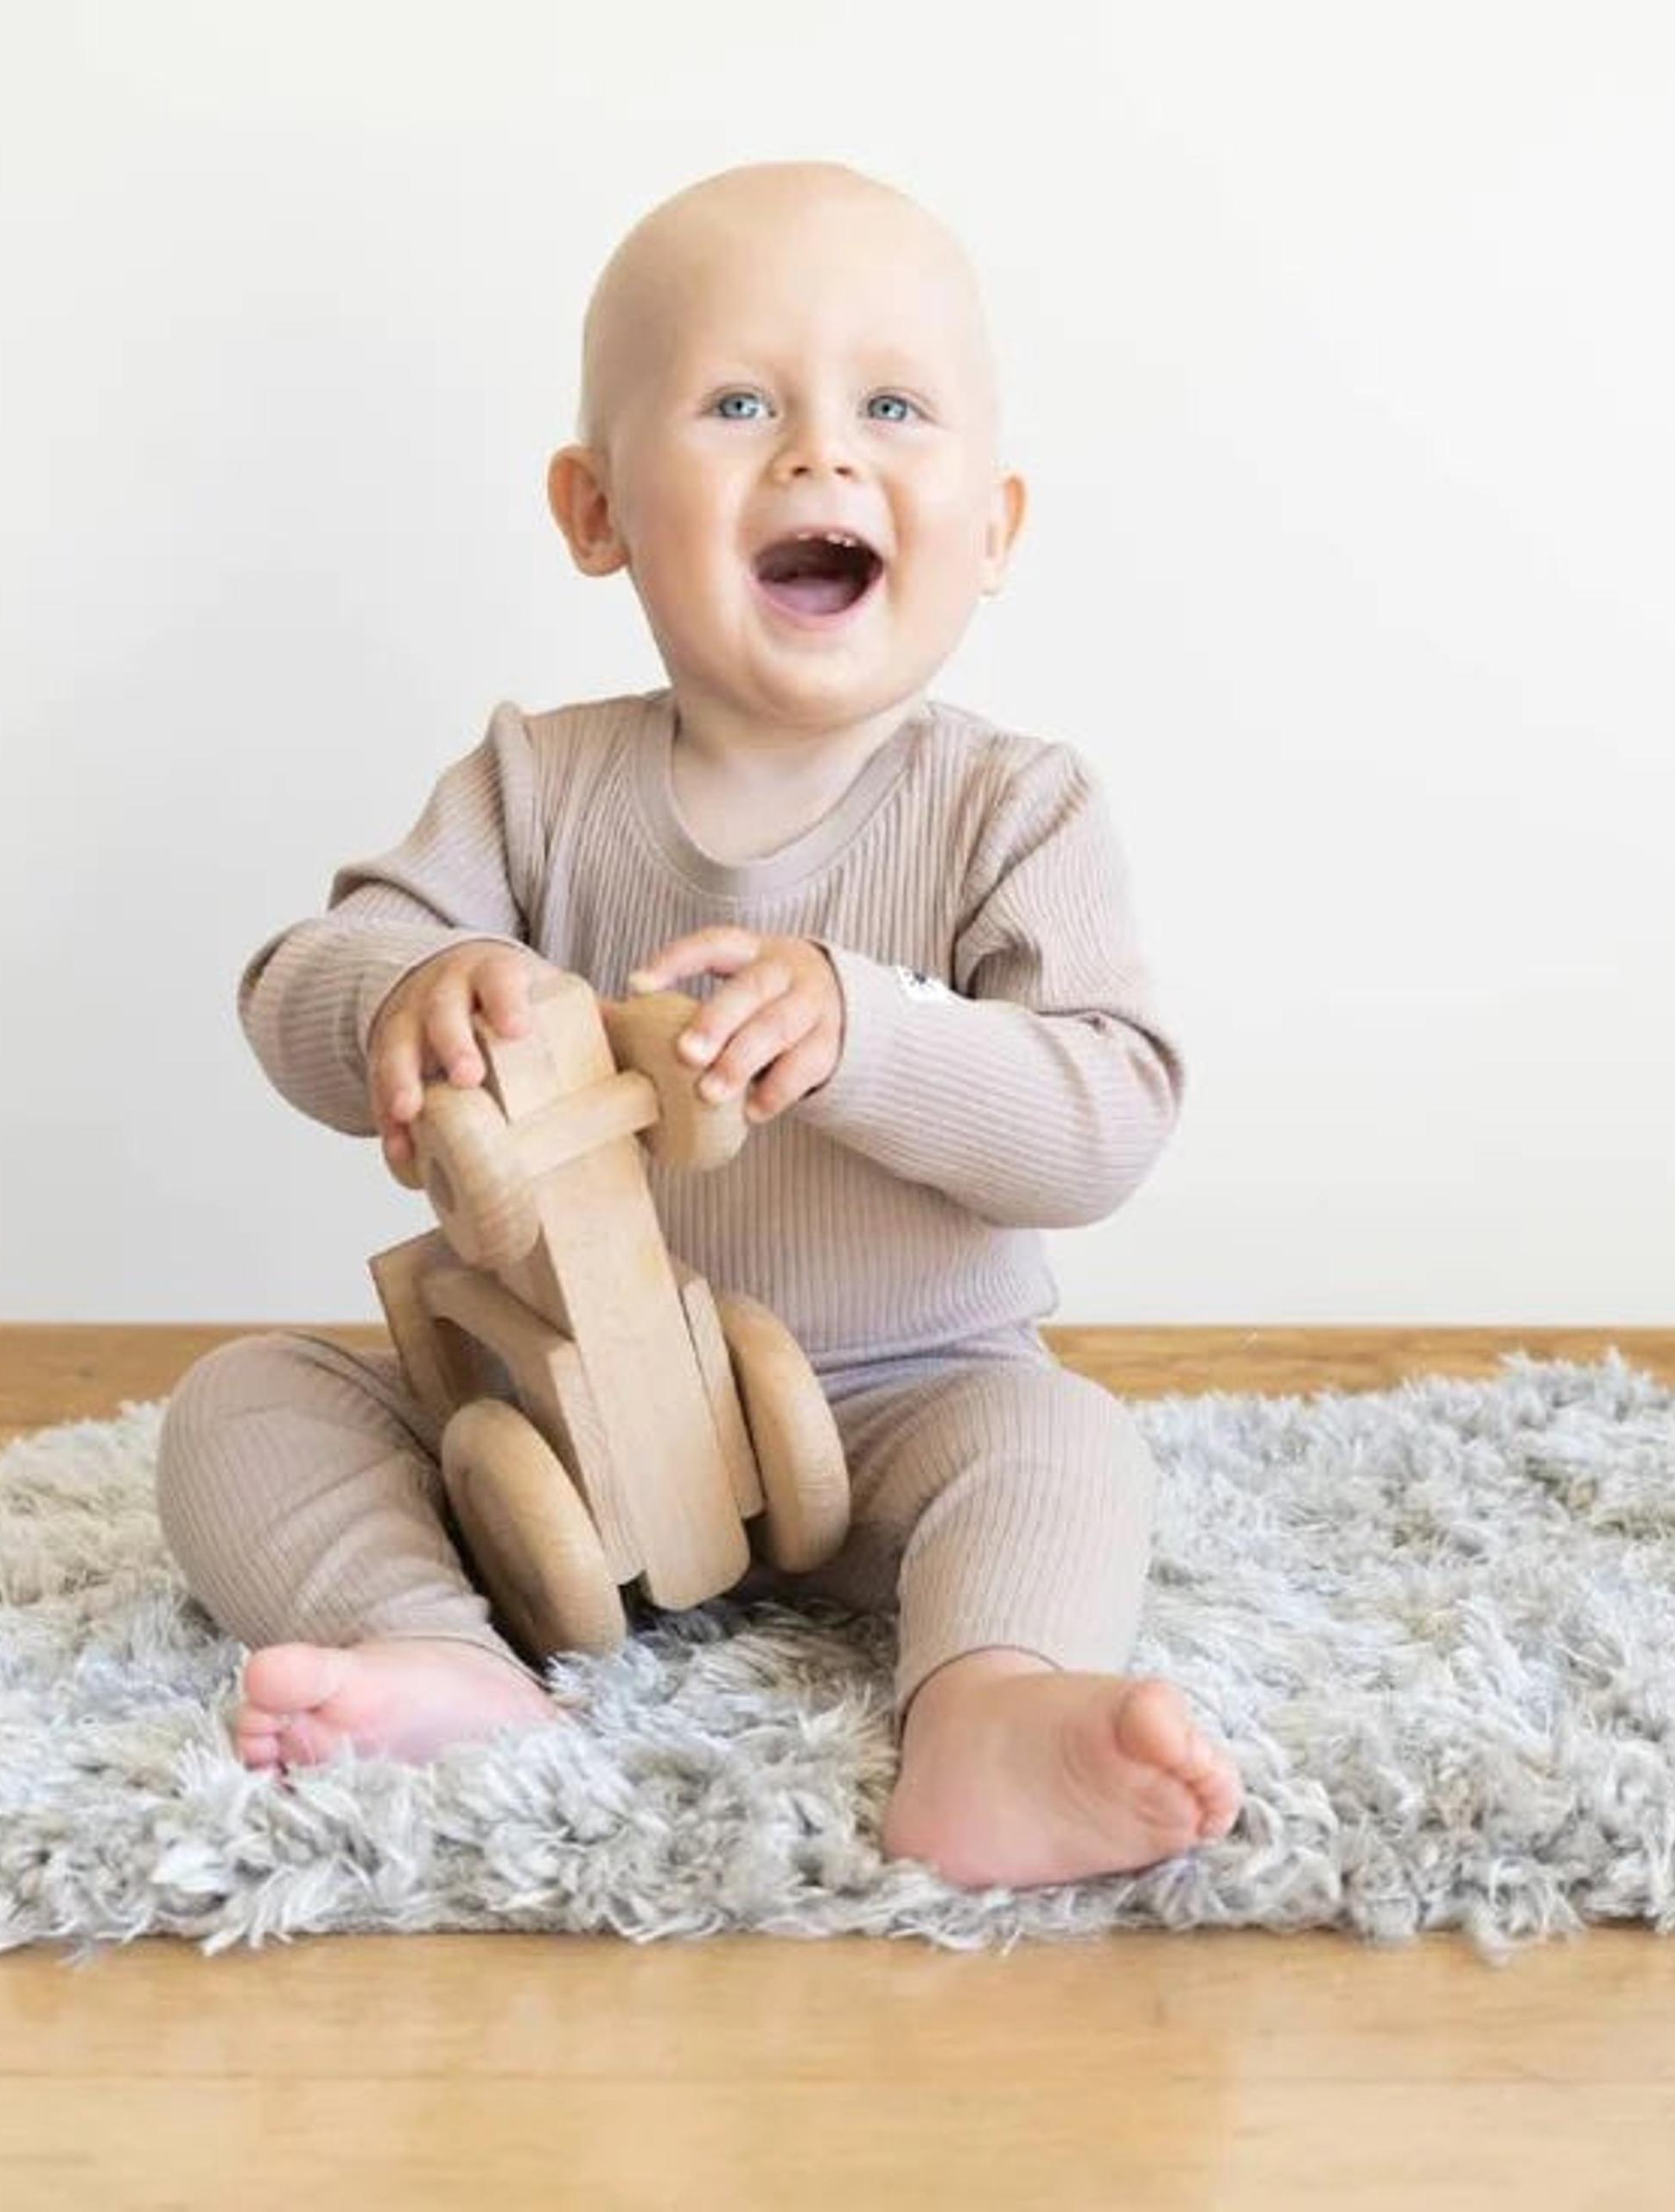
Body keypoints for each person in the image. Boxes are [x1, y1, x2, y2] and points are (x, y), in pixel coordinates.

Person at [155, 160, 1242, 1890]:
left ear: (994, 528)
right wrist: (411, 991)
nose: (822, 455)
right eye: (740, 403)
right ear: (596, 510)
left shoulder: (1011, 808)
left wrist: (871, 1034)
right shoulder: (534, 784)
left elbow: (1106, 1120)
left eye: (892, 407)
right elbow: (298, 985)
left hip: (897, 1411)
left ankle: (987, 1712)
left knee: (1065, 1443)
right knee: (243, 1404)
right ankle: (435, 1653)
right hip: (557, 1430)